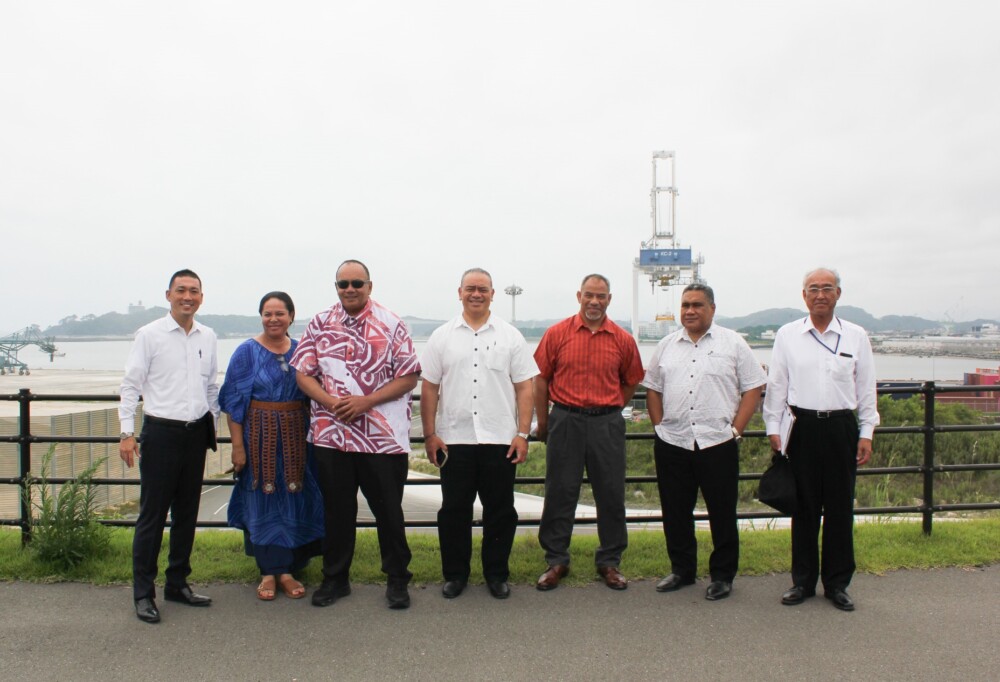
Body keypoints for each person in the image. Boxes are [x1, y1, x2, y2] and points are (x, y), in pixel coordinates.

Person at [290, 259, 421, 610]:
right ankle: (335, 579)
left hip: (382, 439)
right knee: (337, 512)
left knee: (388, 513)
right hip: (331, 436)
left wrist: (367, 401)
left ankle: (397, 580)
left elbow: (409, 376)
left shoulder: (392, 324)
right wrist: (331, 402)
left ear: (369, 286)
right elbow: (303, 374)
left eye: (357, 283)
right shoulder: (319, 323)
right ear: (336, 287)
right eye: (343, 284)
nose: (350, 289)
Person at [763, 268, 879, 612]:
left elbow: (866, 387)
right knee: (804, 508)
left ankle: (837, 584)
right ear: (804, 295)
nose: (820, 294)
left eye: (827, 288)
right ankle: (802, 581)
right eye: (813, 289)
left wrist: (866, 432)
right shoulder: (788, 335)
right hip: (802, 427)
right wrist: (773, 427)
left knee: (840, 508)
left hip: (841, 427)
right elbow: (777, 384)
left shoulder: (856, 336)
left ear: (838, 294)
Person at [642, 283, 766, 600]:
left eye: (697, 305)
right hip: (673, 442)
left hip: (717, 442)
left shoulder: (733, 343)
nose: (690, 311)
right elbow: (652, 388)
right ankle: (682, 570)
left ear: (712, 308)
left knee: (722, 512)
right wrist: (659, 426)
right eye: (685, 305)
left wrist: (736, 429)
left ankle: (722, 576)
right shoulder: (667, 345)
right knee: (675, 511)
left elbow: (753, 387)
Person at [420, 268, 538, 600]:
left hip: (499, 440)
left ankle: (496, 574)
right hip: (454, 440)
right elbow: (429, 388)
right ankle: (455, 575)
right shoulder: (441, 337)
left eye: (482, 289)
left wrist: (523, 433)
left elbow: (525, 387)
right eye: (470, 288)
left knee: (500, 511)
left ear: (492, 294)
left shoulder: (510, 336)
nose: (476, 294)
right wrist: (429, 434)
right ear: (459, 292)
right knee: (453, 511)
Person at [119, 268, 219, 624]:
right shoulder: (149, 335)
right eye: (181, 290)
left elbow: (211, 386)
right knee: (152, 516)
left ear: (201, 297)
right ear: (169, 295)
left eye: (194, 291)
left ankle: (177, 582)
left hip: (195, 433)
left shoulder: (208, 335)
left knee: (187, 514)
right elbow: (130, 385)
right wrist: (126, 432)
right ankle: (143, 593)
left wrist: (212, 423)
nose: (187, 296)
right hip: (161, 433)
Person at [533, 274, 645, 591]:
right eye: (589, 295)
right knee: (560, 491)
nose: (594, 301)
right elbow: (540, 379)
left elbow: (632, 380)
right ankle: (556, 560)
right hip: (565, 419)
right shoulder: (557, 334)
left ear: (609, 299)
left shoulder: (623, 339)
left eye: (601, 296)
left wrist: (610, 407)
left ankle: (609, 561)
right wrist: (544, 423)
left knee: (610, 493)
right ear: (579, 296)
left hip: (606, 423)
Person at [219, 291, 324, 601]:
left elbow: (316, 392)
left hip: (297, 438)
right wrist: (237, 447)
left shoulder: (302, 350)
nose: (273, 319)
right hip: (259, 438)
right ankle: (268, 571)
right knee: (262, 499)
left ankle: (288, 570)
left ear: (291, 316)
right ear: (261, 317)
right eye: (268, 313)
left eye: (280, 313)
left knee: (295, 497)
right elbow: (234, 404)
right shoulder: (246, 352)